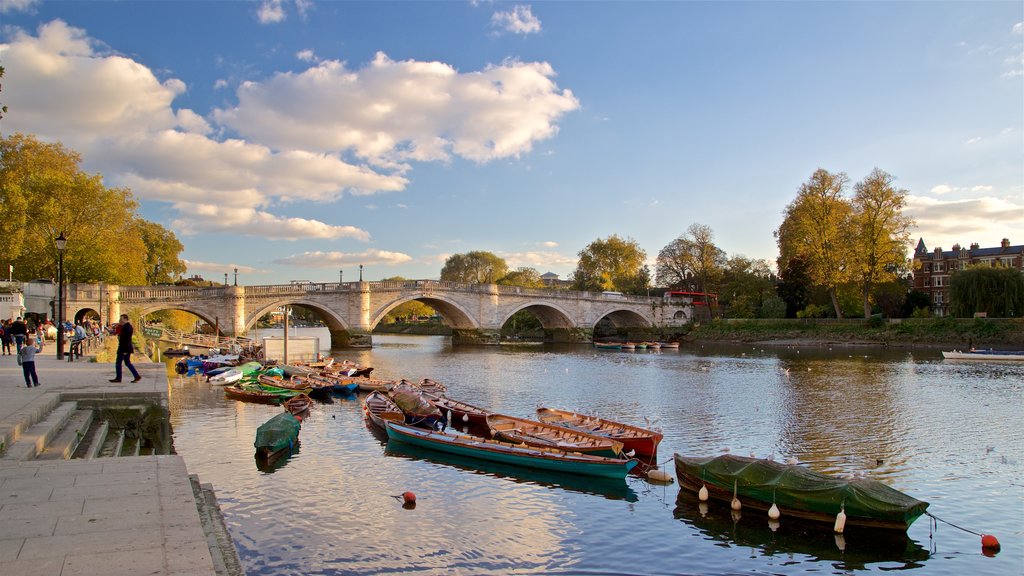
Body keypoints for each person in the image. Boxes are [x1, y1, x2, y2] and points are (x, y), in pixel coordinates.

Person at [109, 314, 141, 383]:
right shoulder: (126, 326)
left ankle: (118, 378)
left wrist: (125, 350)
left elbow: (126, 340)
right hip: (126, 348)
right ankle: (136, 376)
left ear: (125, 319)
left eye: (121, 319)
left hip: (124, 349)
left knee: (118, 363)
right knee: (127, 363)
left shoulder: (127, 327)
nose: (120, 320)